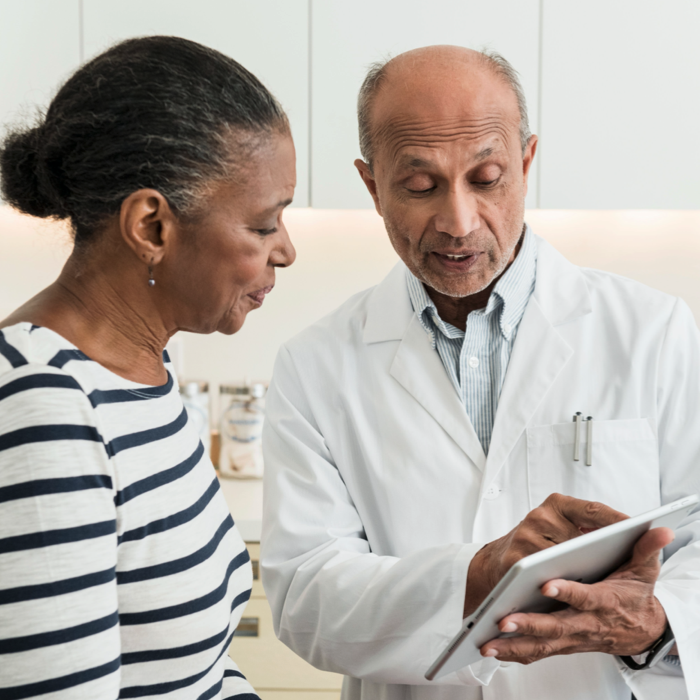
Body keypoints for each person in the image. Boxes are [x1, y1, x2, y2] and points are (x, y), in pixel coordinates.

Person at [260, 45, 700, 700]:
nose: (459, 222)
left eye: (487, 178)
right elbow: (305, 599)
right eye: (418, 186)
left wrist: (657, 624)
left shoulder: (654, 332)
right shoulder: (314, 365)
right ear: (372, 184)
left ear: (525, 163)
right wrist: (474, 574)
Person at [0, 36, 295, 699]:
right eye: (263, 225)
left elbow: (197, 671)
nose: (288, 251)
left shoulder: (142, 373)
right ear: (152, 227)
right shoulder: (45, 407)